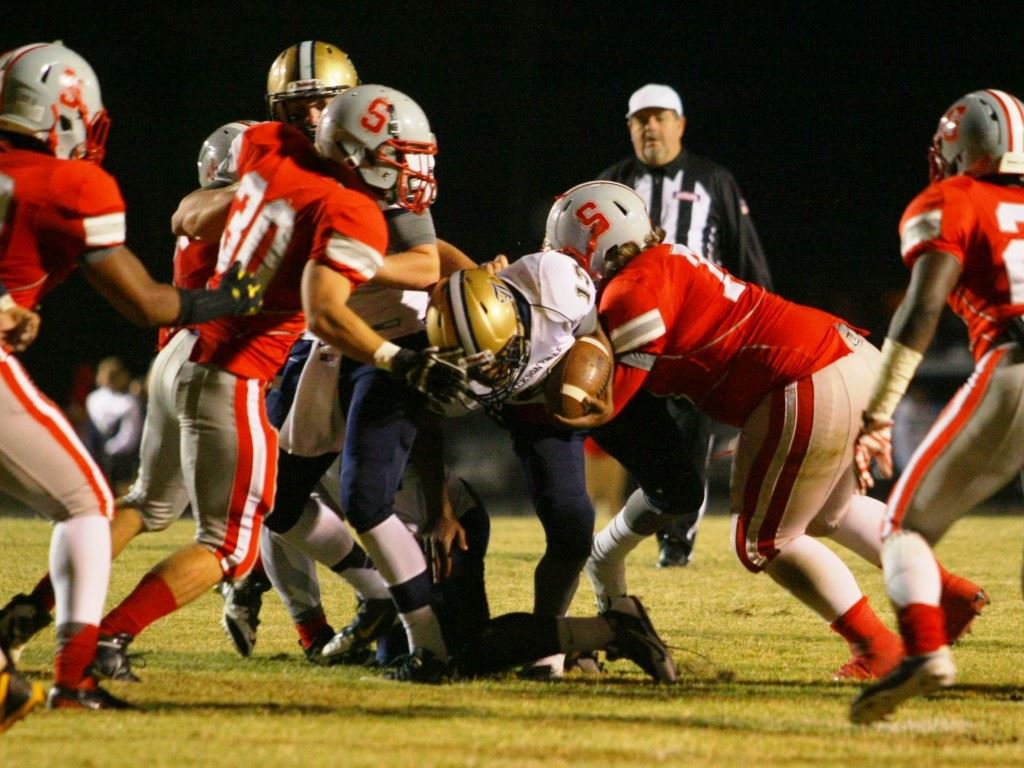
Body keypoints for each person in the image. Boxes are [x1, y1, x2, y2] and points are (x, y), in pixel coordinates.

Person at [87, 83, 464, 687]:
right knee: (232, 542)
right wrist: (401, 360)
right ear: (352, 150)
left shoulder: (269, 146)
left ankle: (40, 618)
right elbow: (324, 313)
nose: (410, 171)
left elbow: (196, 211)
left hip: (189, 347)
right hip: (239, 365)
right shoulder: (349, 208)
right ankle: (108, 637)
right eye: (397, 154)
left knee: (160, 504)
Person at [544, 180, 988, 682]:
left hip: (804, 375)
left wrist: (549, 389)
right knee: (830, 512)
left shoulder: (632, 290)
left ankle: (877, 646)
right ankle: (946, 594)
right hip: (843, 354)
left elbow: (607, 405)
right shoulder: (665, 259)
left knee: (766, 541)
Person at [0, 41, 262, 710]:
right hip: (219, 361)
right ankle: (75, 671)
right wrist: (234, 298)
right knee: (91, 498)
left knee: (135, 502)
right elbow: (146, 301)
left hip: (173, 365)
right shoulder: (70, 182)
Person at [848, 89, 1022, 724]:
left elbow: (922, 309)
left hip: (1014, 363)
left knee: (903, 527)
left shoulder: (952, 199)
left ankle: (925, 653)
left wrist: (879, 409)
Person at [599, 83, 772, 567]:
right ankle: (636, 528)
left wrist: (757, 331)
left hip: (697, 336)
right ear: (630, 128)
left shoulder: (713, 180)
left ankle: (675, 543)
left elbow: (747, 260)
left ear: (680, 124)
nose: (650, 127)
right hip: (628, 334)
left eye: (660, 117)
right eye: (640, 119)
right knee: (635, 435)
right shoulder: (612, 184)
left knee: (690, 437)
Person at [426, 255, 618, 679]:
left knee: (572, 525)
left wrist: (600, 388)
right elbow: (426, 431)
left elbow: (593, 333)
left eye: (503, 357)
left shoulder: (553, 284)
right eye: (486, 369)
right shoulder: (453, 372)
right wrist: (439, 508)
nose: (499, 373)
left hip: (544, 406)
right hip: (514, 408)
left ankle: (546, 652)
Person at [84, 356, 143, 495]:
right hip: (97, 453)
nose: (109, 378)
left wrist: (112, 449)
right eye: (106, 374)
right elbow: (95, 427)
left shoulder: (129, 402)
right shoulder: (94, 398)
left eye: (114, 375)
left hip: (120, 456)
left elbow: (130, 434)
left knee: (121, 486)